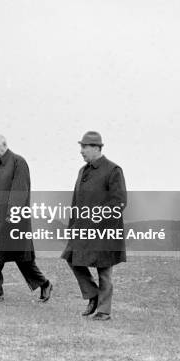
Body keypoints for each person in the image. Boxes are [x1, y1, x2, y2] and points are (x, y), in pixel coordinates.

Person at [61, 131, 127, 320]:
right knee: (71, 258)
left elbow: (119, 201)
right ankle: (93, 294)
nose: (81, 151)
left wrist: (98, 218)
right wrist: (72, 225)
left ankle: (104, 311)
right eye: (81, 147)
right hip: (82, 228)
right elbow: (76, 201)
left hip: (105, 230)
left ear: (97, 148)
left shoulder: (113, 170)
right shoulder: (83, 171)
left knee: (104, 270)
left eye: (84, 147)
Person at [0, 135, 52, 301]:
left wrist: (12, 217)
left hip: (11, 221)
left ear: (4, 144)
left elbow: (20, 191)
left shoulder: (18, 162)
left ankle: (45, 284)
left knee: (23, 258)